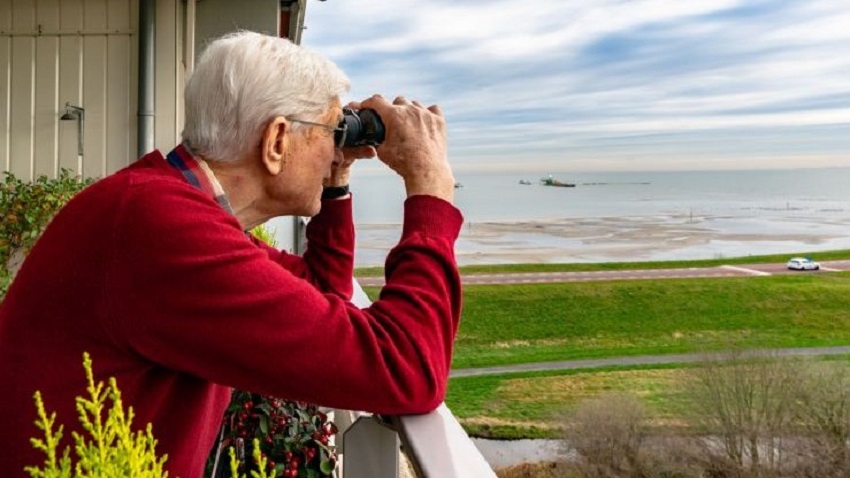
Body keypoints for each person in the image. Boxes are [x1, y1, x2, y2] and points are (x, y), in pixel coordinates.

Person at [0, 31, 462, 477]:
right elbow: (407, 369)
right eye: (330, 130)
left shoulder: (162, 208)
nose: (334, 147)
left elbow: (322, 291)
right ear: (277, 141)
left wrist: (336, 179)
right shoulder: (158, 229)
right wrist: (431, 186)